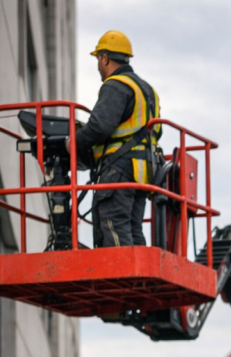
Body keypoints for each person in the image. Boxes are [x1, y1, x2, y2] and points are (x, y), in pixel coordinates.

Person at [66, 30, 161, 248]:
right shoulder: (148, 91)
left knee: (113, 223)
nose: (98, 66)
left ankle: (124, 271)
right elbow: (156, 131)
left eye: (98, 60)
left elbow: (100, 126)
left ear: (105, 58)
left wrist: (74, 143)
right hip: (143, 171)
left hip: (119, 170)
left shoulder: (115, 85)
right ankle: (138, 270)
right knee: (132, 227)